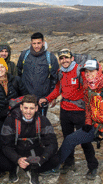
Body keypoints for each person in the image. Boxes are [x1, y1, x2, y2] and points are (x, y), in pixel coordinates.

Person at [39, 49, 98, 177]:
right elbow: (58, 89)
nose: (64, 60)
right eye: (61, 58)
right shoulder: (60, 72)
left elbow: (89, 90)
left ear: (72, 58)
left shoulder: (80, 71)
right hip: (65, 110)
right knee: (67, 138)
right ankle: (69, 163)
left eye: (66, 58)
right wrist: (48, 99)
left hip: (80, 111)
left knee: (84, 140)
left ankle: (92, 166)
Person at [0, 95, 60, 184]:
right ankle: (15, 167)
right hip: (17, 150)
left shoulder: (43, 120)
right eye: (26, 108)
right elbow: (5, 145)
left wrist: (42, 159)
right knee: (2, 161)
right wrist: (17, 159)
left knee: (55, 159)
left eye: (31, 108)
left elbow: (52, 144)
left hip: (34, 151)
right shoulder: (10, 121)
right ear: (21, 107)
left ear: (36, 108)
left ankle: (33, 169)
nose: (28, 111)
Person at [0, 58, 28, 176]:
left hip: (16, 118)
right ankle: (2, 169)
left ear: (6, 68)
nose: (0, 70)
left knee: (16, 142)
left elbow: (26, 97)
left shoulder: (16, 80)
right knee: (0, 144)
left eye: (2, 67)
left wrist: (20, 110)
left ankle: (16, 166)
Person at [16, 32, 59, 116]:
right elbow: (18, 72)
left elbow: (54, 79)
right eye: (34, 43)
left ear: (43, 43)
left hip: (42, 98)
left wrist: (52, 97)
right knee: (26, 122)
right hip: (26, 96)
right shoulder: (24, 55)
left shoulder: (50, 57)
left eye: (39, 43)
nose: (36, 46)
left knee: (40, 123)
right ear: (31, 43)